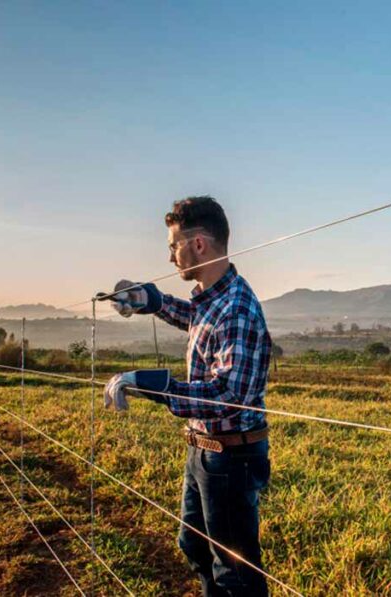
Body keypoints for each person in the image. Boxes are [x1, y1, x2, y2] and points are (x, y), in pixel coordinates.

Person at [104, 196, 272, 597]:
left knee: (235, 573)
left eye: (173, 246)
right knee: (193, 545)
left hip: (231, 458)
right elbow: (197, 319)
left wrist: (151, 384)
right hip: (203, 450)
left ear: (198, 244)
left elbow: (226, 395)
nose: (170, 257)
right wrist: (153, 301)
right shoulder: (213, 298)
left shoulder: (238, 308)